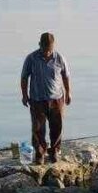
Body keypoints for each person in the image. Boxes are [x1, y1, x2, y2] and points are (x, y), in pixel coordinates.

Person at [20, 32, 71, 164]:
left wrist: (68, 92)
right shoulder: (31, 58)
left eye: (49, 49)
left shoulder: (59, 58)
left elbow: (65, 76)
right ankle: (40, 153)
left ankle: (54, 151)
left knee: (57, 127)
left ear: (53, 46)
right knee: (38, 129)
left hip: (57, 99)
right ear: (39, 45)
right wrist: (25, 95)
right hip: (37, 99)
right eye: (44, 49)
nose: (47, 52)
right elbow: (24, 77)